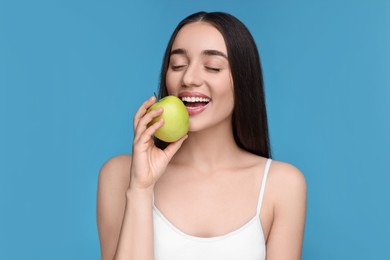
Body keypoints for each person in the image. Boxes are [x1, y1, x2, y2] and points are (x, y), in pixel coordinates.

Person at [97, 11, 306, 260]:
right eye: (178, 65)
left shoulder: (281, 185)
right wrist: (141, 189)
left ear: (243, 81)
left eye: (213, 67)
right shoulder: (119, 175)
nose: (189, 78)